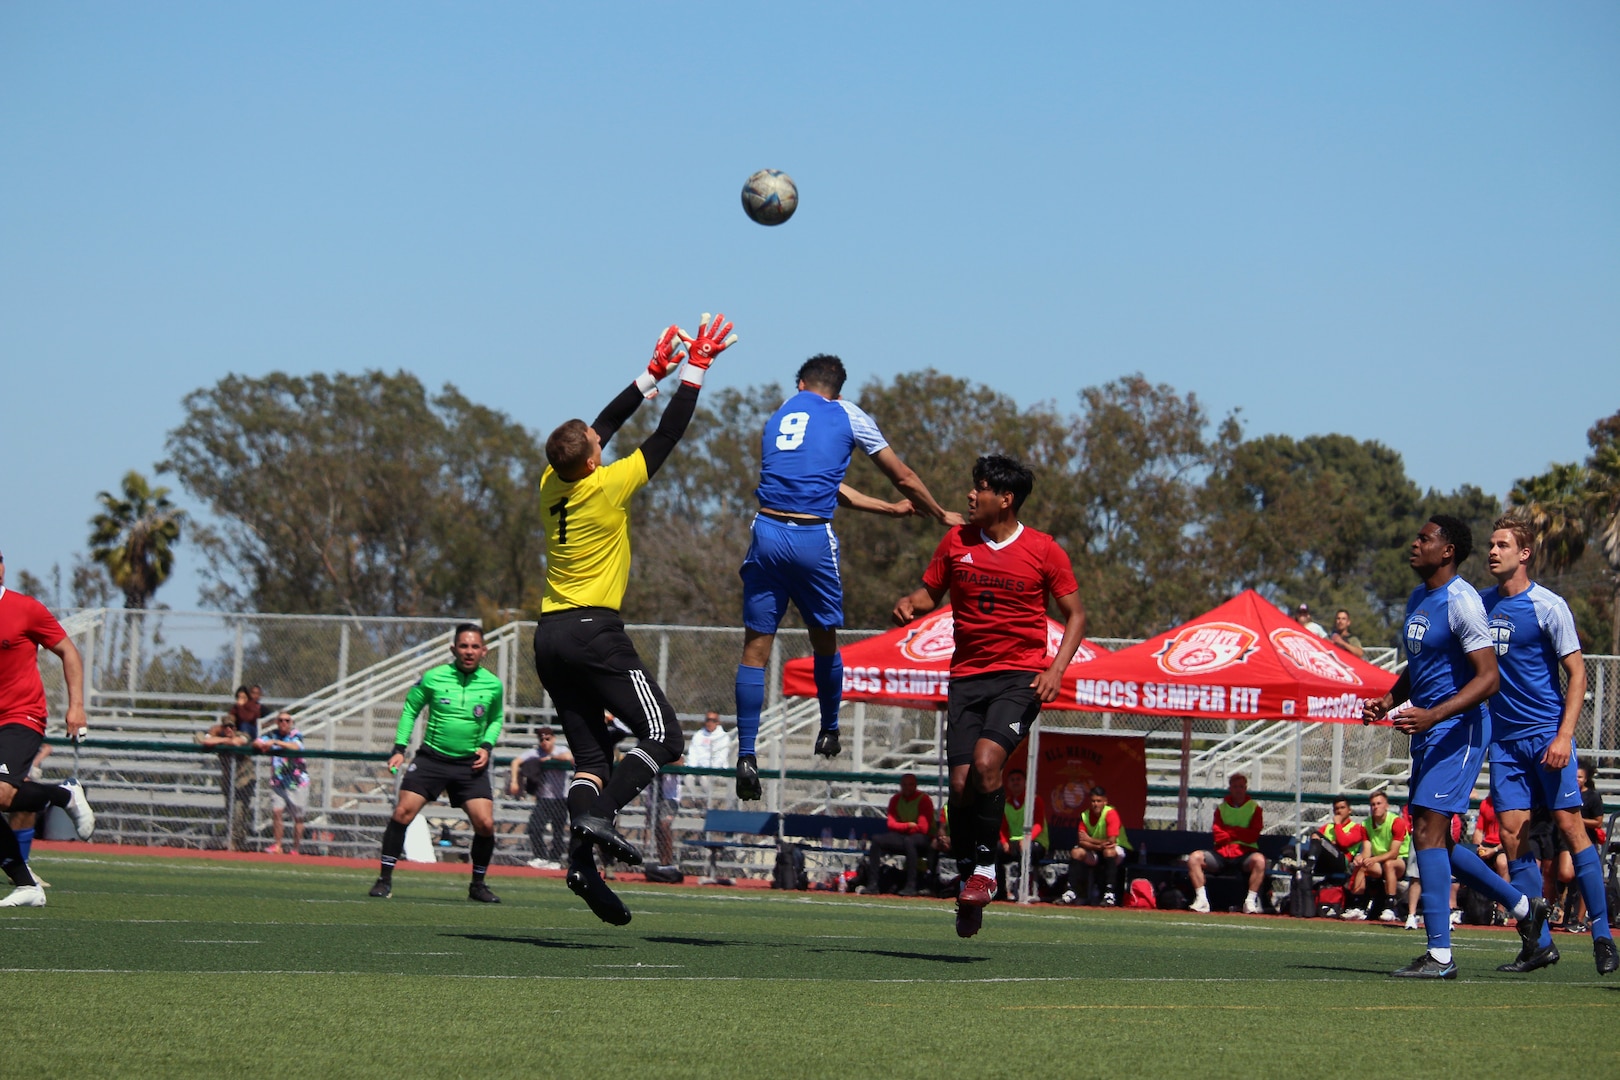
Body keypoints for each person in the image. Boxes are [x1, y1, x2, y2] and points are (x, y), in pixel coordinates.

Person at [532, 316, 736, 926]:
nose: (604, 442)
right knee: (666, 738)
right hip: (595, 632)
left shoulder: (552, 481)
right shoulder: (609, 485)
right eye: (597, 446)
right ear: (594, 462)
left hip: (548, 638)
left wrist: (650, 374)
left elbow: (597, 429)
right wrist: (694, 370)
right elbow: (666, 437)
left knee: (592, 763)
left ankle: (580, 865)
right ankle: (602, 817)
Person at [732, 353, 959, 800]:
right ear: (837, 389)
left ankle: (745, 753)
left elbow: (824, 483)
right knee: (824, 640)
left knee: (755, 650)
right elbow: (904, 475)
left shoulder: (780, 415)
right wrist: (935, 512)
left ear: (801, 383)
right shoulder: (846, 412)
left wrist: (886, 509)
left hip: (766, 532)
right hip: (812, 539)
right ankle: (831, 728)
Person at [892, 454, 1087, 938]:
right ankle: (967, 879)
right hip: (966, 679)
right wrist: (909, 605)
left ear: (1006, 498)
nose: (969, 496)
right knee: (958, 786)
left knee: (985, 765)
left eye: (979, 488)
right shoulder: (956, 541)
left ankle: (985, 870)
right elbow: (927, 595)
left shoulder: (1044, 550)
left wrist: (1056, 670)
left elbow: (1077, 615)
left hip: (1019, 677)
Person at [1363, 515, 1547, 979]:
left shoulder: (1462, 601)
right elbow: (1420, 666)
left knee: (1426, 831)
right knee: (1438, 840)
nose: (1415, 542)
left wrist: (1433, 715)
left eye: (1424, 538)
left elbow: (1489, 677)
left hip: (1459, 729)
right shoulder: (1418, 597)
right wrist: (1388, 699)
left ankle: (1441, 955)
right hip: (1429, 729)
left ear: (1447, 551)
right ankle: (1524, 908)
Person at [1476, 516, 1615, 974]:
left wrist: (1563, 736)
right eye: (1490, 545)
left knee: (1571, 828)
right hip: (1505, 742)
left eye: (1502, 545)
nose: (1492, 551)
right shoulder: (1479, 606)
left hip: (1546, 735)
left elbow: (1577, 674)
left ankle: (1601, 935)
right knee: (1512, 836)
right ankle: (1539, 942)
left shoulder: (1549, 606)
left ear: (1524, 553)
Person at [370, 624, 504, 903]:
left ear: (484, 651)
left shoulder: (493, 684)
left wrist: (487, 746)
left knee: (486, 823)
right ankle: (384, 880)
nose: (469, 652)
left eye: (474, 646)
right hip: (432, 759)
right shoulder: (433, 678)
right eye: (464, 646)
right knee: (402, 813)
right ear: (453, 649)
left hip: (470, 764)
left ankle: (477, 885)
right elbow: (410, 710)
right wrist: (399, 748)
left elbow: (496, 718)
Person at [0, 550, 95, 908]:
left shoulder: (26, 608)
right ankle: (27, 885)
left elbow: (69, 652)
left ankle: (63, 795)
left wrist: (76, 706)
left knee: (0, 795)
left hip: (21, 716)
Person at [1186, 774, 1267, 914]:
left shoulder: (1254, 809)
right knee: (1194, 858)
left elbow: (1253, 835)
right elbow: (1218, 834)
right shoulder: (1222, 808)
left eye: (1241, 787)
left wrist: (1230, 831)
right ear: (1230, 788)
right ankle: (1202, 900)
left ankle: (1250, 902)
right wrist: (1239, 832)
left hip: (1244, 853)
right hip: (1222, 853)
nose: (1238, 790)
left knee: (1259, 860)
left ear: (1245, 788)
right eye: (1235, 787)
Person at [1552, 761, 1606, 932]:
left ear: (1586, 778)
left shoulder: (1592, 796)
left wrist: (1577, 822)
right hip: (1564, 841)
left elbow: (1598, 822)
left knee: (1585, 878)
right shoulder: (1566, 792)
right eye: (1575, 776)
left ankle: (1579, 918)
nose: (1577, 780)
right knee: (1565, 874)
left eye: (1580, 777)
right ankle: (1560, 904)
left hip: (1585, 840)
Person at [509, 727, 573, 869]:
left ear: (553, 739)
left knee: (558, 830)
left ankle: (555, 860)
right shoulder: (535, 752)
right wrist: (514, 781)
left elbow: (569, 758)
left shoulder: (560, 750)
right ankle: (541, 856)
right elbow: (515, 762)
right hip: (543, 798)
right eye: (541, 739)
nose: (544, 742)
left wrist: (551, 758)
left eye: (547, 739)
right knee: (534, 827)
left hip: (560, 798)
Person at [863, 772, 934, 896]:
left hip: (923, 839)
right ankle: (873, 884)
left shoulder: (924, 800)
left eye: (910, 785)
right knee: (877, 840)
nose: (907, 788)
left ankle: (911, 886)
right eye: (904, 785)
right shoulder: (895, 799)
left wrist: (901, 826)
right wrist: (908, 826)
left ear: (915, 785)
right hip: (904, 835)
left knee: (909, 842)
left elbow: (923, 828)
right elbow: (891, 824)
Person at [1062, 786, 1129, 906]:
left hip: (1116, 852)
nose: (1095, 804)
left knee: (1109, 851)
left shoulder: (1110, 813)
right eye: (1093, 801)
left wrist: (1090, 840)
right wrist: (1098, 845)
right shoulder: (1085, 815)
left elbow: (1111, 841)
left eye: (1098, 801)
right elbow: (1081, 841)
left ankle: (1109, 894)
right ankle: (1071, 891)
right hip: (1097, 851)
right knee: (1076, 852)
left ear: (1105, 801)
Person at [254, 711, 309, 854]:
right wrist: (262, 746)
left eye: (287, 720)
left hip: (297, 782)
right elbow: (257, 742)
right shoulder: (272, 734)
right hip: (278, 781)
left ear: (291, 723)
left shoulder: (295, 734)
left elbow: (296, 747)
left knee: (298, 818)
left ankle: (295, 848)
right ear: (277, 722)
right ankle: (278, 845)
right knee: (277, 812)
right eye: (281, 720)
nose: (284, 723)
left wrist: (276, 743)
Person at [1313, 796, 1371, 918]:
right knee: (1315, 838)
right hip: (1323, 861)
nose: (1339, 811)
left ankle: (1308, 862)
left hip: (1342, 862)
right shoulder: (1327, 827)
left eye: (1342, 808)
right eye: (1336, 809)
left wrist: (1338, 825)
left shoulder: (1356, 828)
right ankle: (1301, 860)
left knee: (1321, 841)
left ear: (1349, 810)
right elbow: (1315, 838)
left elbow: (1344, 842)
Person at [1358, 791, 1409, 922]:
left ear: (1386, 805)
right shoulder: (1366, 824)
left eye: (1379, 803)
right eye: (1373, 804)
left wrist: (1373, 859)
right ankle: (1359, 905)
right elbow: (1367, 850)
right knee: (1362, 865)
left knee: (1389, 864)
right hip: (1379, 860)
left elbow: (1394, 853)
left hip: (1400, 860)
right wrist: (1360, 857)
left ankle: (1390, 906)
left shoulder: (1396, 822)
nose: (1375, 807)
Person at [997, 767, 1046, 901]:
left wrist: (1027, 839)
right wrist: (1004, 841)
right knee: (995, 850)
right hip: (1014, 841)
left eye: (1018, 779)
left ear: (1025, 782)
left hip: (1036, 842)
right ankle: (999, 891)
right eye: (1012, 780)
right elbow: (1003, 828)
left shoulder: (1035, 800)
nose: (1015, 782)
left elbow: (1038, 824)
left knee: (1027, 850)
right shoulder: (1006, 803)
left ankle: (1024, 888)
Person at [685, 710, 734, 809]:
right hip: (698, 769)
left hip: (716, 771)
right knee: (688, 778)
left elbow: (721, 758)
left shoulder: (723, 737)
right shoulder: (699, 735)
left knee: (704, 779)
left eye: (713, 720)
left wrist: (709, 770)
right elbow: (693, 753)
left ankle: (708, 805)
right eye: (708, 720)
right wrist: (692, 768)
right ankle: (697, 800)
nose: (710, 723)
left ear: (718, 722)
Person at [1471, 796, 1509, 882]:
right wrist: (1479, 847)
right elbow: (1479, 830)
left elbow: (1510, 836)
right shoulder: (1486, 802)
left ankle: (1505, 893)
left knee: (1502, 863)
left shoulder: (1510, 805)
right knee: (1474, 863)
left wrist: (1494, 850)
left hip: (1503, 844)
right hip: (1487, 843)